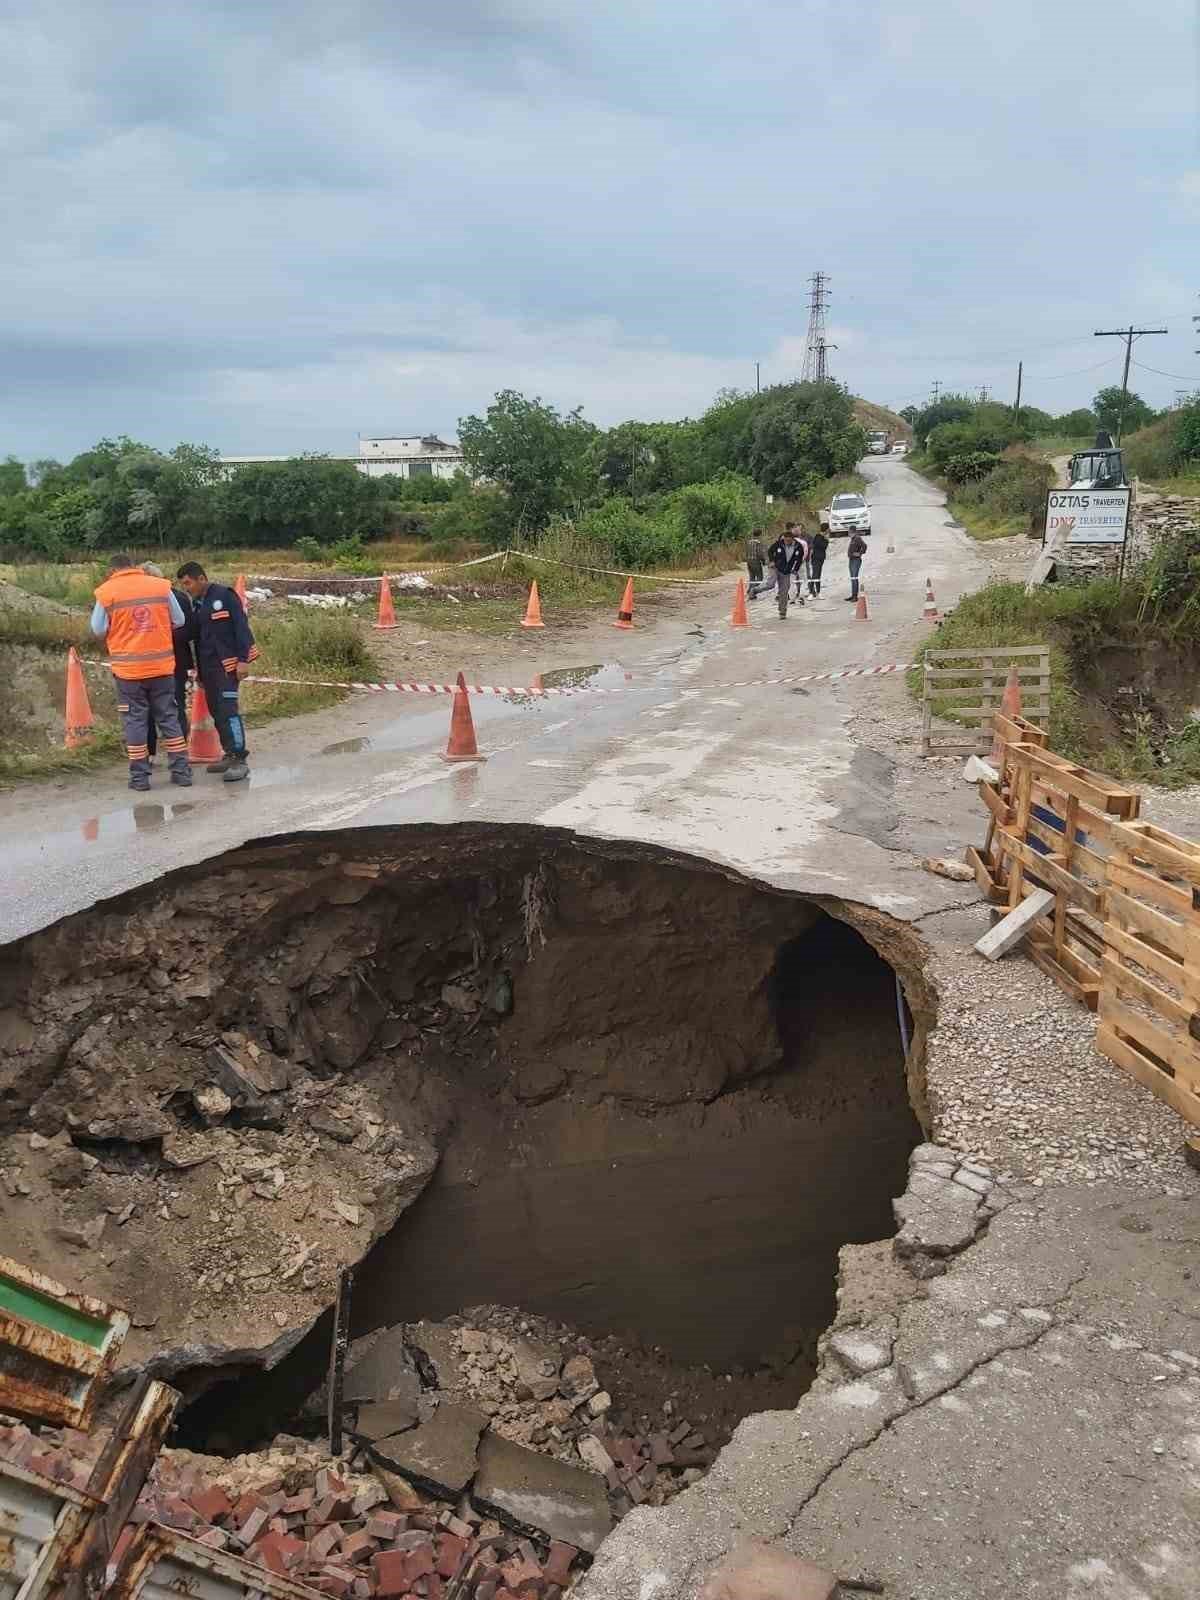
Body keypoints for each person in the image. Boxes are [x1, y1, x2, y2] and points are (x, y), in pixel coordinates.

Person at [91, 554, 193, 792]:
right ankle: (181, 772)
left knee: (135, 721)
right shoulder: (160, 586)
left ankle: (140, 778)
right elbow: (179, 619)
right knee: (169, 717)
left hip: (129, 672)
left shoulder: (106, 591)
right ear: (135, 567)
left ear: (113, 570)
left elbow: (97, 629)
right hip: (162, 667)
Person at [175, 562, 258, 782]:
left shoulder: (225, 595)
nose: (186, 588)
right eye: (183, 585)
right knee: (216, 711)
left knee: (228, 711)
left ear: (201, 578)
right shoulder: (197, 604)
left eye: (188, 583)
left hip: (228, 666)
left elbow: (241, 627)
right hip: (208, 669)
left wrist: (243, 661)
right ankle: (229, 753)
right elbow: (196, 637)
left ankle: (240, 759)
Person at [142, 562, 195, 763]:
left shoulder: (178, 598)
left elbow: (189, 630)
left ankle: (179, 753)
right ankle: (151, 753)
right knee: (149, 710)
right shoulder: (141, 600)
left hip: (172, 661)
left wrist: (162, 636)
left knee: (173, 706)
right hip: (152, 662)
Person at [765, 524, 807, 618]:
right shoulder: (779, 543)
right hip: (775, 568)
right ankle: (755, 590)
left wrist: (795, 569)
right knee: (770, 585)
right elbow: (770, 551)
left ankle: (782, 612)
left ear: (792, 539)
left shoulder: (798, 546)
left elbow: (800, 559)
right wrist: (771, 561)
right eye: (785, 540)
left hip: (786, 571)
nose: (786, 542)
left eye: (788, 540)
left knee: (784, 591)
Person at [846, 531, 868, 602]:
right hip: (852, 560)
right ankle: (853, 595)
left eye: (849, 532)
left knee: (854, 578)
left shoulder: (857, 538)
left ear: (853, 532)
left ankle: (855, 597)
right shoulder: (853, 539)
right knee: (853, 578)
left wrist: (860, 553)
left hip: (856, 560)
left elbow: (864, 546)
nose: (848, 534)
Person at [807, 529, 829, 597]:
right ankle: (811, 591)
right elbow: (823, 546)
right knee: (815, 575)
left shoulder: (820, 537)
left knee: (818, 575)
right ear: (826, 530)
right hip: (816, 558)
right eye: (828, 530)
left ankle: (818, 592)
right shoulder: (818, 537)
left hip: (820, 558)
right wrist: (826, 540)